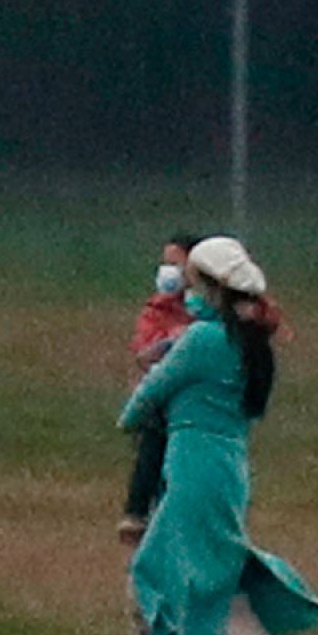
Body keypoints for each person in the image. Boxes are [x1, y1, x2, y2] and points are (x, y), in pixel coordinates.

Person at [118, 236, 318, 635]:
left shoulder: (202, 341)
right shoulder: (246, 344)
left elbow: (145, 400)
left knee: (169, 575)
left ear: (213, 289)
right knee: (176, 573)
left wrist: (136, 407)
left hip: (193, 470)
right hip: (223, 469)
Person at [117, 233, 201, 546]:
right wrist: (170, 343)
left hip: (193, 400)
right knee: (153, 443)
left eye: (175, 264)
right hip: (160, 399)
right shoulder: (157, 309)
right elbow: (143, 353)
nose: (168, 272)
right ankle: (137, 512)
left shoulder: (207, 310)